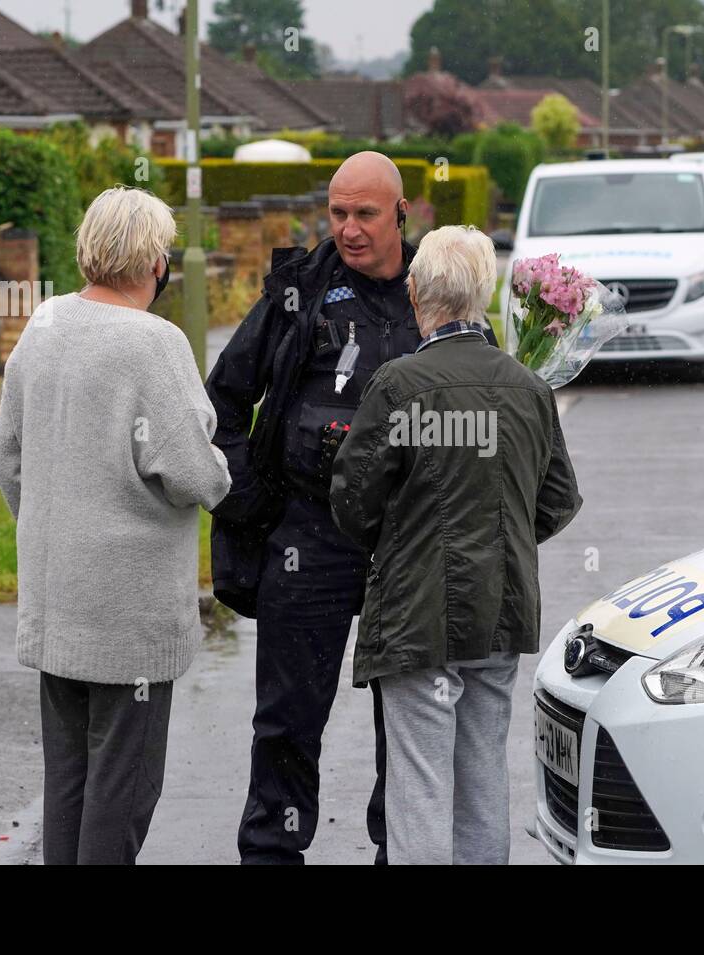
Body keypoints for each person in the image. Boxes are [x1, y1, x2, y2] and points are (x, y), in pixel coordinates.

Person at [207, 152, 450, 864]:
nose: (347, 229)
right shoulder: (300, 292)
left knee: (406, 726)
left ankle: (396, 853)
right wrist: (252, 497)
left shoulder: (434, 291)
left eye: (364, 214)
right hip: (307, 537)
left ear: (401, 214)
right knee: (286, 722)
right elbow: (221, 398)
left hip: (405, 544)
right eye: (337, 213)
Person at [0, 186, 231, 864]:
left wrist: (48, 524)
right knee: (123, 789)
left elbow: (7, 455)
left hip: (56, 595)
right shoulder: (154, 344)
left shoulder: (42, 325)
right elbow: (192, 472)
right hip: (129, 616)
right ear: (155, 261)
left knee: (67, 782)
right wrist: (220, 464)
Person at [328, 225, 582, 865]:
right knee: (482, 783)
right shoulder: (529, 388)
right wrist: (499, 536)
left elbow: (352, 500)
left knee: (420, 791)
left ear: (415, 294)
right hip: (500, 611)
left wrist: (404, 541)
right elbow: (554, 501)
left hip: (418, 616)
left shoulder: (398, 386)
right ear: (484, 296)